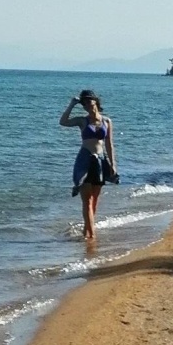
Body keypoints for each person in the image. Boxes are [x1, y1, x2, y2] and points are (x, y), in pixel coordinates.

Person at [59, 89, 117, 254]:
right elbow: (63, 122)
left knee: (95, 201)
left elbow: (109, 145)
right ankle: (91, 237)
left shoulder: (107, 121)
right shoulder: (82, 121)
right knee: (87, 201)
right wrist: (72, 104)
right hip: (85, 160)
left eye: (90, 103)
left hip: (100, 161)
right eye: (84, 104)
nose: (88, 107)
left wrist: (113, 165)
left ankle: (87, 231)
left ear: (96, 102)